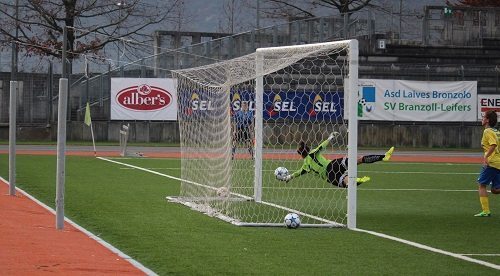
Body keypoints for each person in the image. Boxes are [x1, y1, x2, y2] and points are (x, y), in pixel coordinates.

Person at [278, 132, 394, 188]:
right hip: (333, 165)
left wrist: (288, 177)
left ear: (300, 154)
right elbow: (321, 146)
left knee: (345, 182)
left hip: (330, 177)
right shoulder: (313, 153)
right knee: (358, 160)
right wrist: (330, 137)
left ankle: (356, 181)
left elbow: (298, 173)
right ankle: (383, 157)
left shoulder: (305, 166)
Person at [474, 110, 500, 217]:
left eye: (484, 117)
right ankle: (486, 211)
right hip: (498, 162)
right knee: (495, 189)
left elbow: (493, 145)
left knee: (481, 185)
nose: (482, 118)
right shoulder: (497, 131)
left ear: (487, 120)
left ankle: (486, 211)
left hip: (492, 163)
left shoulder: (487, 131)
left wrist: (486, 157)